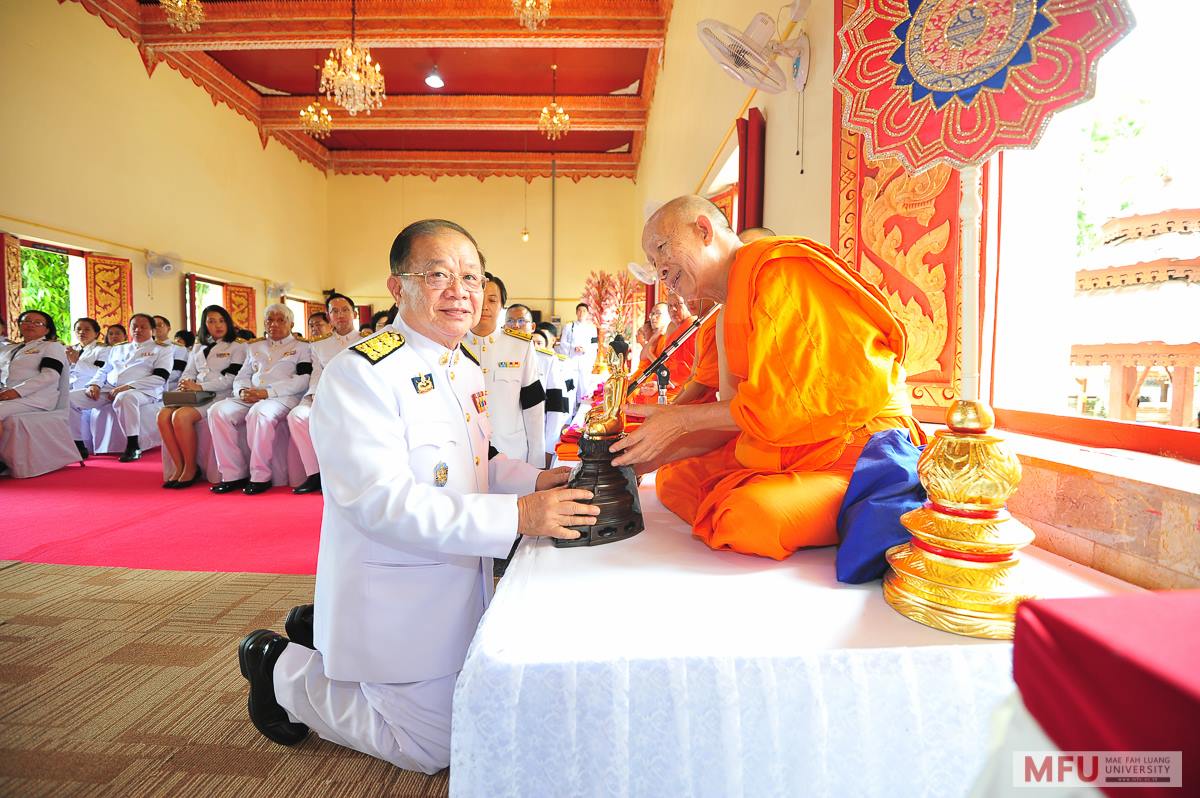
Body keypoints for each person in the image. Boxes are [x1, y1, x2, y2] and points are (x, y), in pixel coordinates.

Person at [236, 218, 599, 772]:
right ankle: (281, 668)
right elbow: (379, 501)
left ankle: (322, 636)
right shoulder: (362, 374)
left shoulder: (464, 364)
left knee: (484, 700)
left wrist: (534, 480)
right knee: (431, 746)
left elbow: (475, 463)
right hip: (395, 590)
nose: (460, 291)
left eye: (471, 277)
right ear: (397, 287)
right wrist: (520, 514)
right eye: (438, 275)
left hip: (458, 580)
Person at [610, 195, 923, 560]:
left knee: (748, 515)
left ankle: (862, 503)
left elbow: (793, 404)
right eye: (653, 263)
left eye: (662, 249)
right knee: (674, 478)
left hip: (856, 449)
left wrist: (680, 420)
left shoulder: (779, 272)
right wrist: (638, 462)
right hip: (790, 445)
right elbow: (739, 417)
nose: (660, 272)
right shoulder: (730, 310)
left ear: (704, 230)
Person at [209, 304, 312, 495]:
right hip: (251, 395)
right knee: (217, 411)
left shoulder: (302, 347)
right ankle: (233, 474)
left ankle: (260, 476)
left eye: (280, 320)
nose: (274, 324)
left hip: (282, 397)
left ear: (291, 324)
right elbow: (242, 376)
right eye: (269, 320)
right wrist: (242, 391)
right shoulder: (255, 346)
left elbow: (304, 379)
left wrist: (267, 393)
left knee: (259, 413)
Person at [670, 227, 777, 407]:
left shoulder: (796, 293)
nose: (750, 260)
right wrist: (672, 408)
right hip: (745, 413)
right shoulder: (724, 317)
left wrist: (673, 410)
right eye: (742, 254)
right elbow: (728, 395)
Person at [157, 305, 245, 489]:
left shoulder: (238, 346)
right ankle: (179, 466)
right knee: (162, 415)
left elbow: (231, 379)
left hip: (219, 395)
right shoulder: (198, 347)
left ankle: (191, 468)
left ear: (228, 323)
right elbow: (189, 372)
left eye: (221, 321)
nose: (217, 325)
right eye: (211, 321)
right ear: (205, 325)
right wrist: (185, 384)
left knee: (181, 416)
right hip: (194, 394)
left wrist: (200, 386)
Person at [462, 273, 546, 467]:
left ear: (502, 306)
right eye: (480, 297)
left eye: (492, 300)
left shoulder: (520, 346)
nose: (485, 306)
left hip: (511, 453)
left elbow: (533, 407)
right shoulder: (452, 344)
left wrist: (537, 462)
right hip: (465, 456)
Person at [70, 313, 171, 462]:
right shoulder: (119, 348)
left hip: (143, 390)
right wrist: (95, 384)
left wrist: (128, 386)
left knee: (125, 397)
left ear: (152, 330)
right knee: (71, 399)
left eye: (143, 327)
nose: (137, 330)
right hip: (110, 388)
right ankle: (78, 445)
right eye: (134, 326)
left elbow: (160, 377)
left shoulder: (162, 349)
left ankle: (133, 446)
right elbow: (104, 370)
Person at [287, 292, 361, 495]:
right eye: (335, 311)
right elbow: (316, 374)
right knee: (298, 416)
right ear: (329, 317)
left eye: (345, 310)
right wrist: (314, 395)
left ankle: (348, 476)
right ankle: (315, 474)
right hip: (325, 395)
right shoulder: (319, 344)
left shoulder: (368, 340)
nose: (340, 315)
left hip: (357, 398)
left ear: (354, 314)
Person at [0, 311, 69, 470]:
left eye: (38, 323)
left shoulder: (51, 346)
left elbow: (50, 375)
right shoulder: (9, 349)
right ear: (19, 325)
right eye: (27, 321)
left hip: (35, 399)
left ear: (47, 329)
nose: (31, 324)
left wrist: (17, 392)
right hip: (8, 396)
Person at [555, 302, 599, 403]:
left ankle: (582, 406)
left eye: (584, 311)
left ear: (587, 313)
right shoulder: (569, 326)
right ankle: (572, 408)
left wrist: (585, 349)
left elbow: (594, 345)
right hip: (571, 360)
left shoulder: (592, 328)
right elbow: (562, 343)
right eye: (579, 310)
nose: (581, 313)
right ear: (576, 312)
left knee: (584, 386)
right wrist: (573, 348)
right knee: (570, 386)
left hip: (585, 361)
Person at [66, 317, 109, 389]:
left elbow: (101, 373)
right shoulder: (71, 349)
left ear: (96, 334)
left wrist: (76, 362)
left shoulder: (103, 349)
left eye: (87, 329)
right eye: (78, 329)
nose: (81, 332)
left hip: (88, 389)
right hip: (68, 388)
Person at [153, 315, 188, 391]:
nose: (156, 328)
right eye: (153, 325)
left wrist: (154, 380)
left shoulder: (178, 348)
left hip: (169, 387)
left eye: (160, 325)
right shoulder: (147, 348)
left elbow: (177, 372)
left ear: (168, 328)